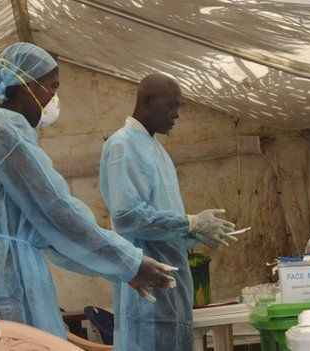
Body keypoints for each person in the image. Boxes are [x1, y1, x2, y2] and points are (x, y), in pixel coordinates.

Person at [0, 43, 174, 351]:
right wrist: (130, 262)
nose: (54, 99)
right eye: (52, 87)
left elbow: (50, 233)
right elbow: (57, 210)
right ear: (27, 85)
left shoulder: (5, 131)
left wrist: (123, 268)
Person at [99, 73, 237, 351]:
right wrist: (189, 223)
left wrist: (195, 234)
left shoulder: (155, 149)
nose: (176, 115)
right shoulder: (123, 145)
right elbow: (128, 217)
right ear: (147, 101)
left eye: (179, 107)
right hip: (146, 287)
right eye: (171, 106)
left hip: (171, 281)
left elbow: (162, 218)